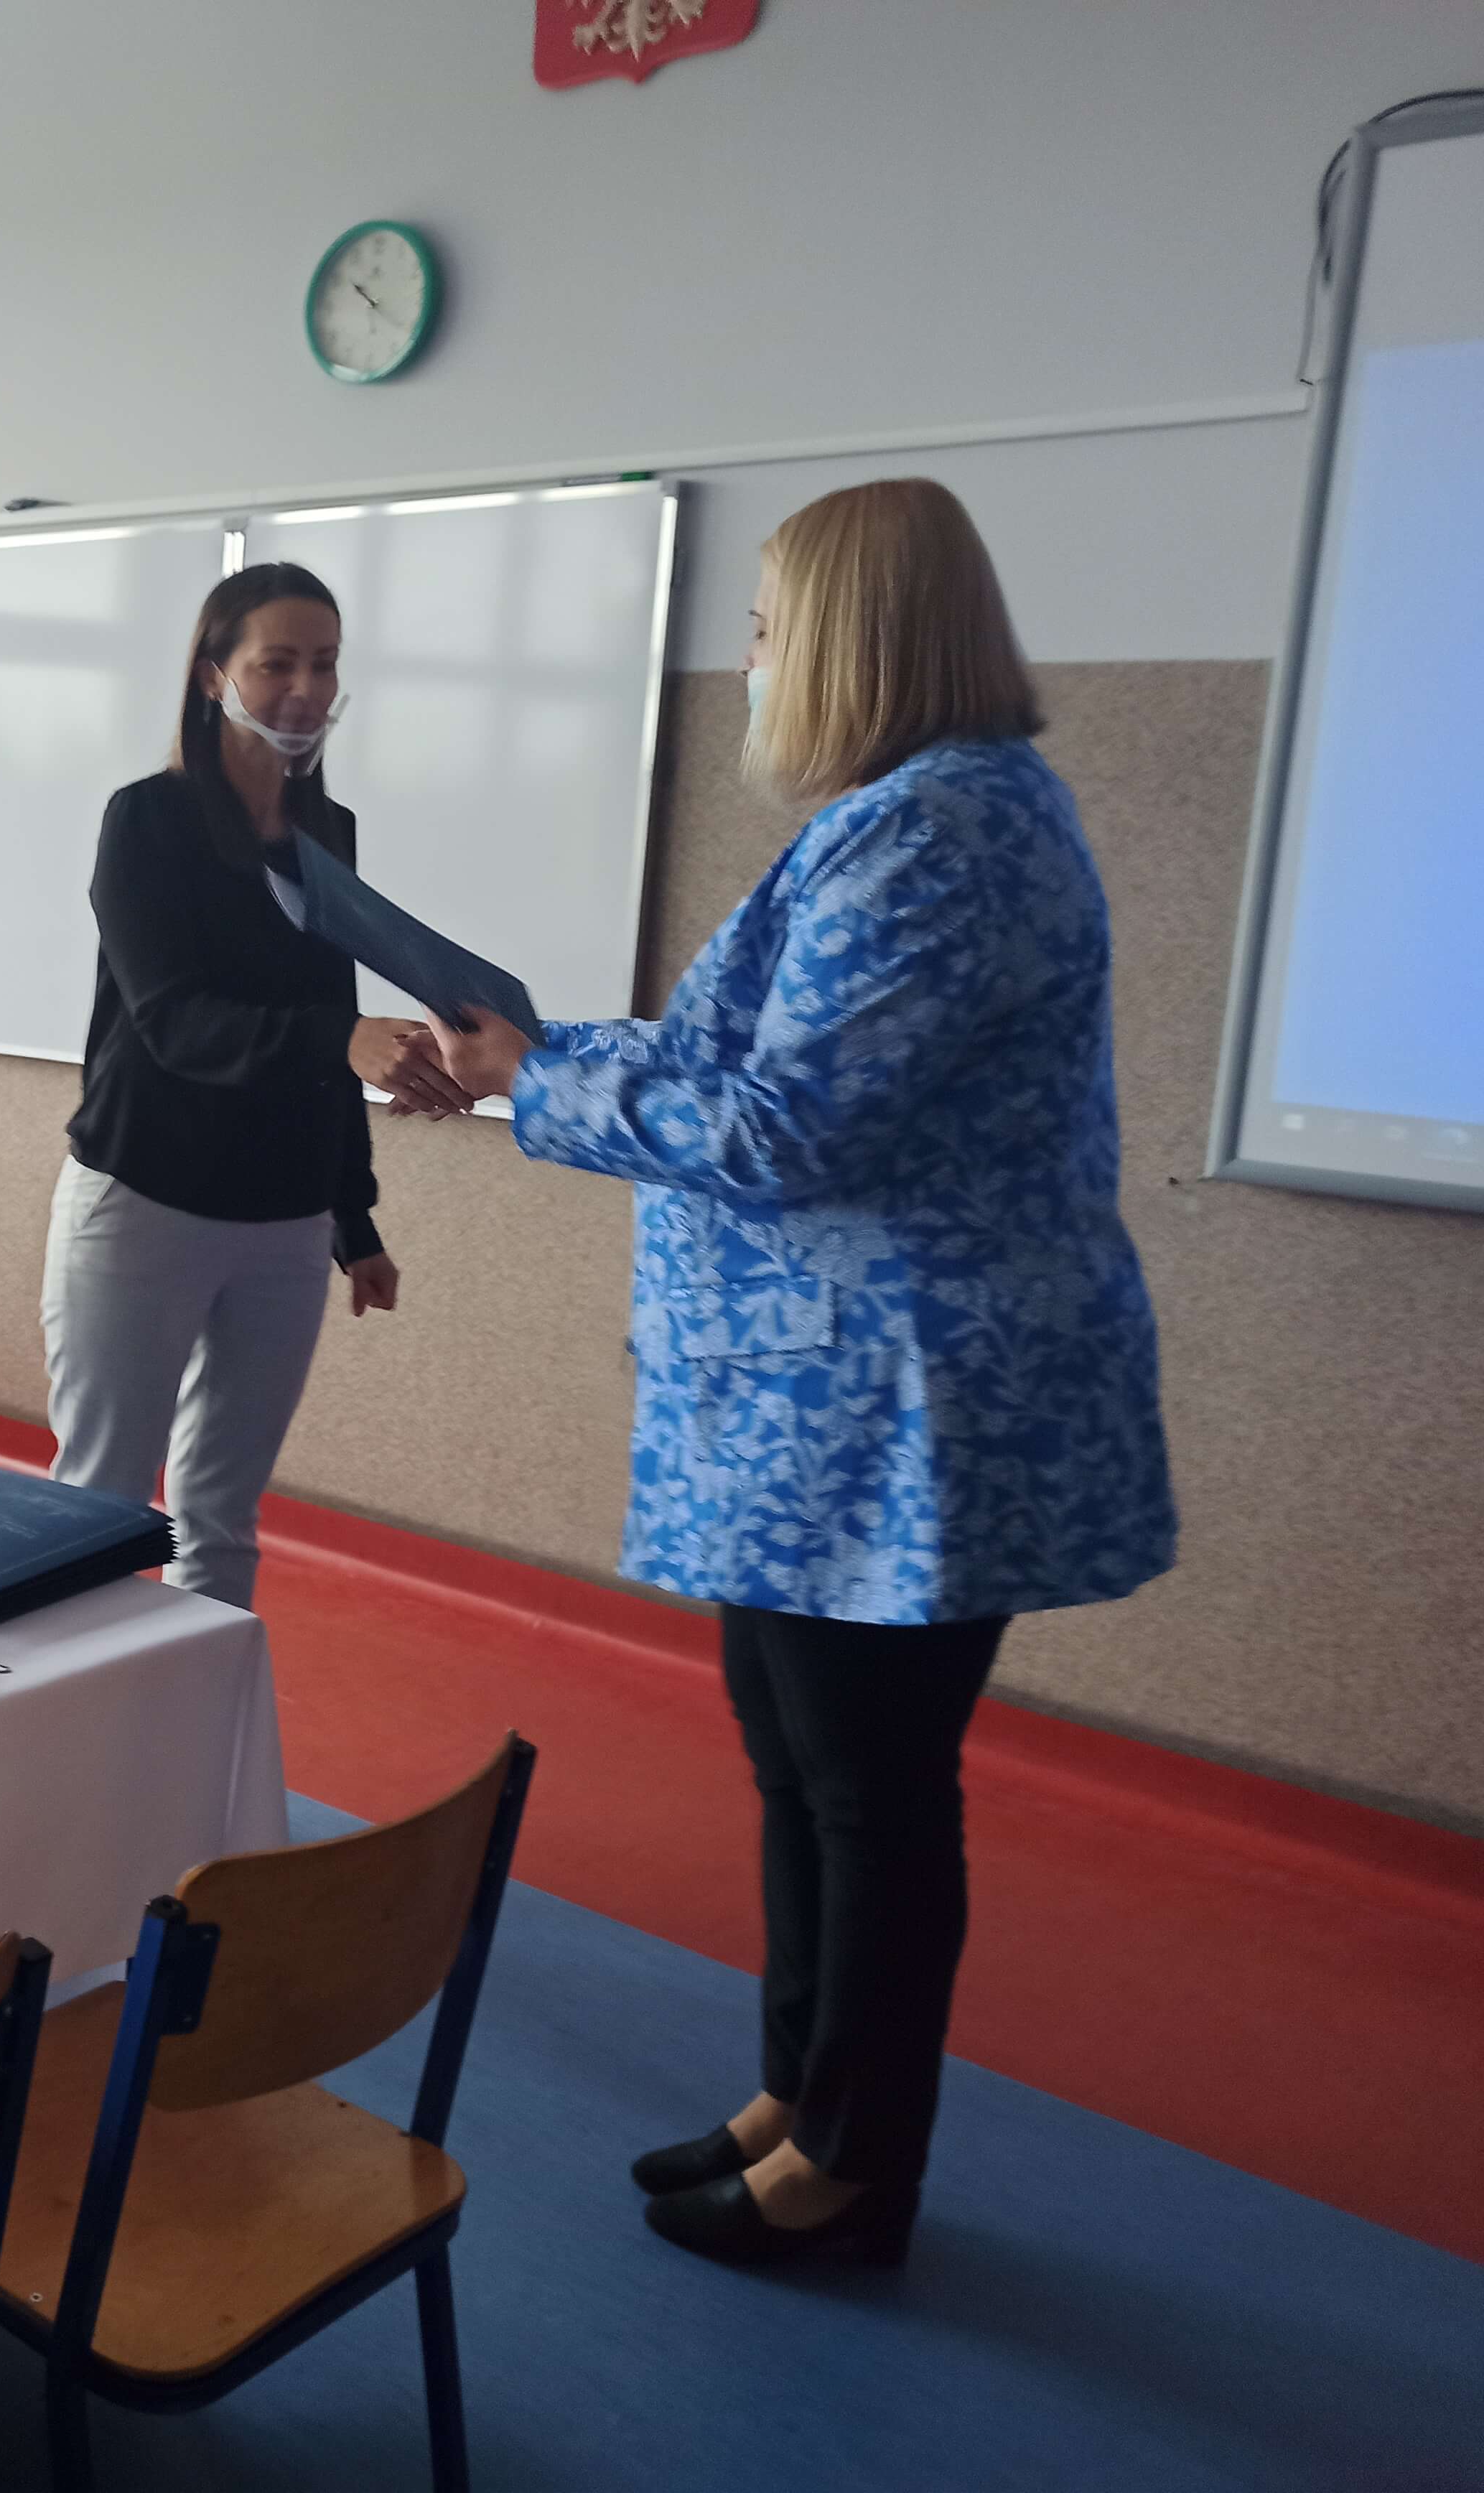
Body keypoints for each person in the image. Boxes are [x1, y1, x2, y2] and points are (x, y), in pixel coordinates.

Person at [419, 480, 1177, 2266]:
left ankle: (851, 2162)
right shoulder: (900, 818)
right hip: (816, 1411)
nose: (751, 660)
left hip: (891, 1410)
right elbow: (735, 1057)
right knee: (798, 1761)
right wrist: (537, 1050)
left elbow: (781, 1127)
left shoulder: (939, 834)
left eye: (764, 628)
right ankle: (798, 2092)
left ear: (848, 637)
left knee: (870, 1790)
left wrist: (532, 1083)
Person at [45, 562, 465, 1609]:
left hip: (285, 1221)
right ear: (212, 676)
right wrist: (342, 1038)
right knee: (97, 1503)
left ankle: (193, 1697)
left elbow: (331, 1021)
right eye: (276, 663)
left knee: (223, 1514)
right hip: (145, 1198)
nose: (306, 689)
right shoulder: (147, 820)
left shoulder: (328, 832)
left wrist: (354, 1221)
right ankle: (78, 1701)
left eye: (325, 664)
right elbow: (173, 1021)